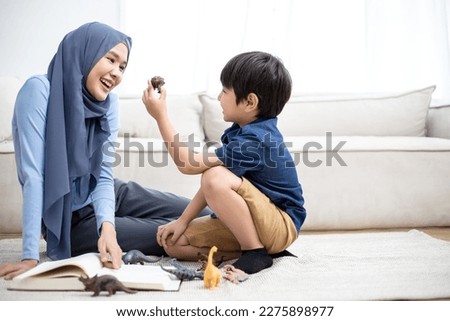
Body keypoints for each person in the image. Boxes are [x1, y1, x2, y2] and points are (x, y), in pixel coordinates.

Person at [0, 22, 208, 280]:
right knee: (182, 231)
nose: (116, 73)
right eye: (110, 59)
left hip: (110, 193)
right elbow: (34, 176)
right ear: (84, 52)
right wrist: (30, 256)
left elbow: (104, 173)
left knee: (203, 212)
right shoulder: (38, 91)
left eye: (122, 66)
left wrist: (107, 227)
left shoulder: (108, 102)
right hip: (73, 221)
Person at [142, 51, 307, 276]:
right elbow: (212, 185)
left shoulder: (256, 139)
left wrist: (160, 116)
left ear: (250, 101)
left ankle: (254, 252)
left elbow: (188, 164)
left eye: (224, 91)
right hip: (258, 223)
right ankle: (256, 249)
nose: (219, 97)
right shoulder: (242, 132)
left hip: (280, 224)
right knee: (174, 243)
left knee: (214, 175)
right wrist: (182, 221)